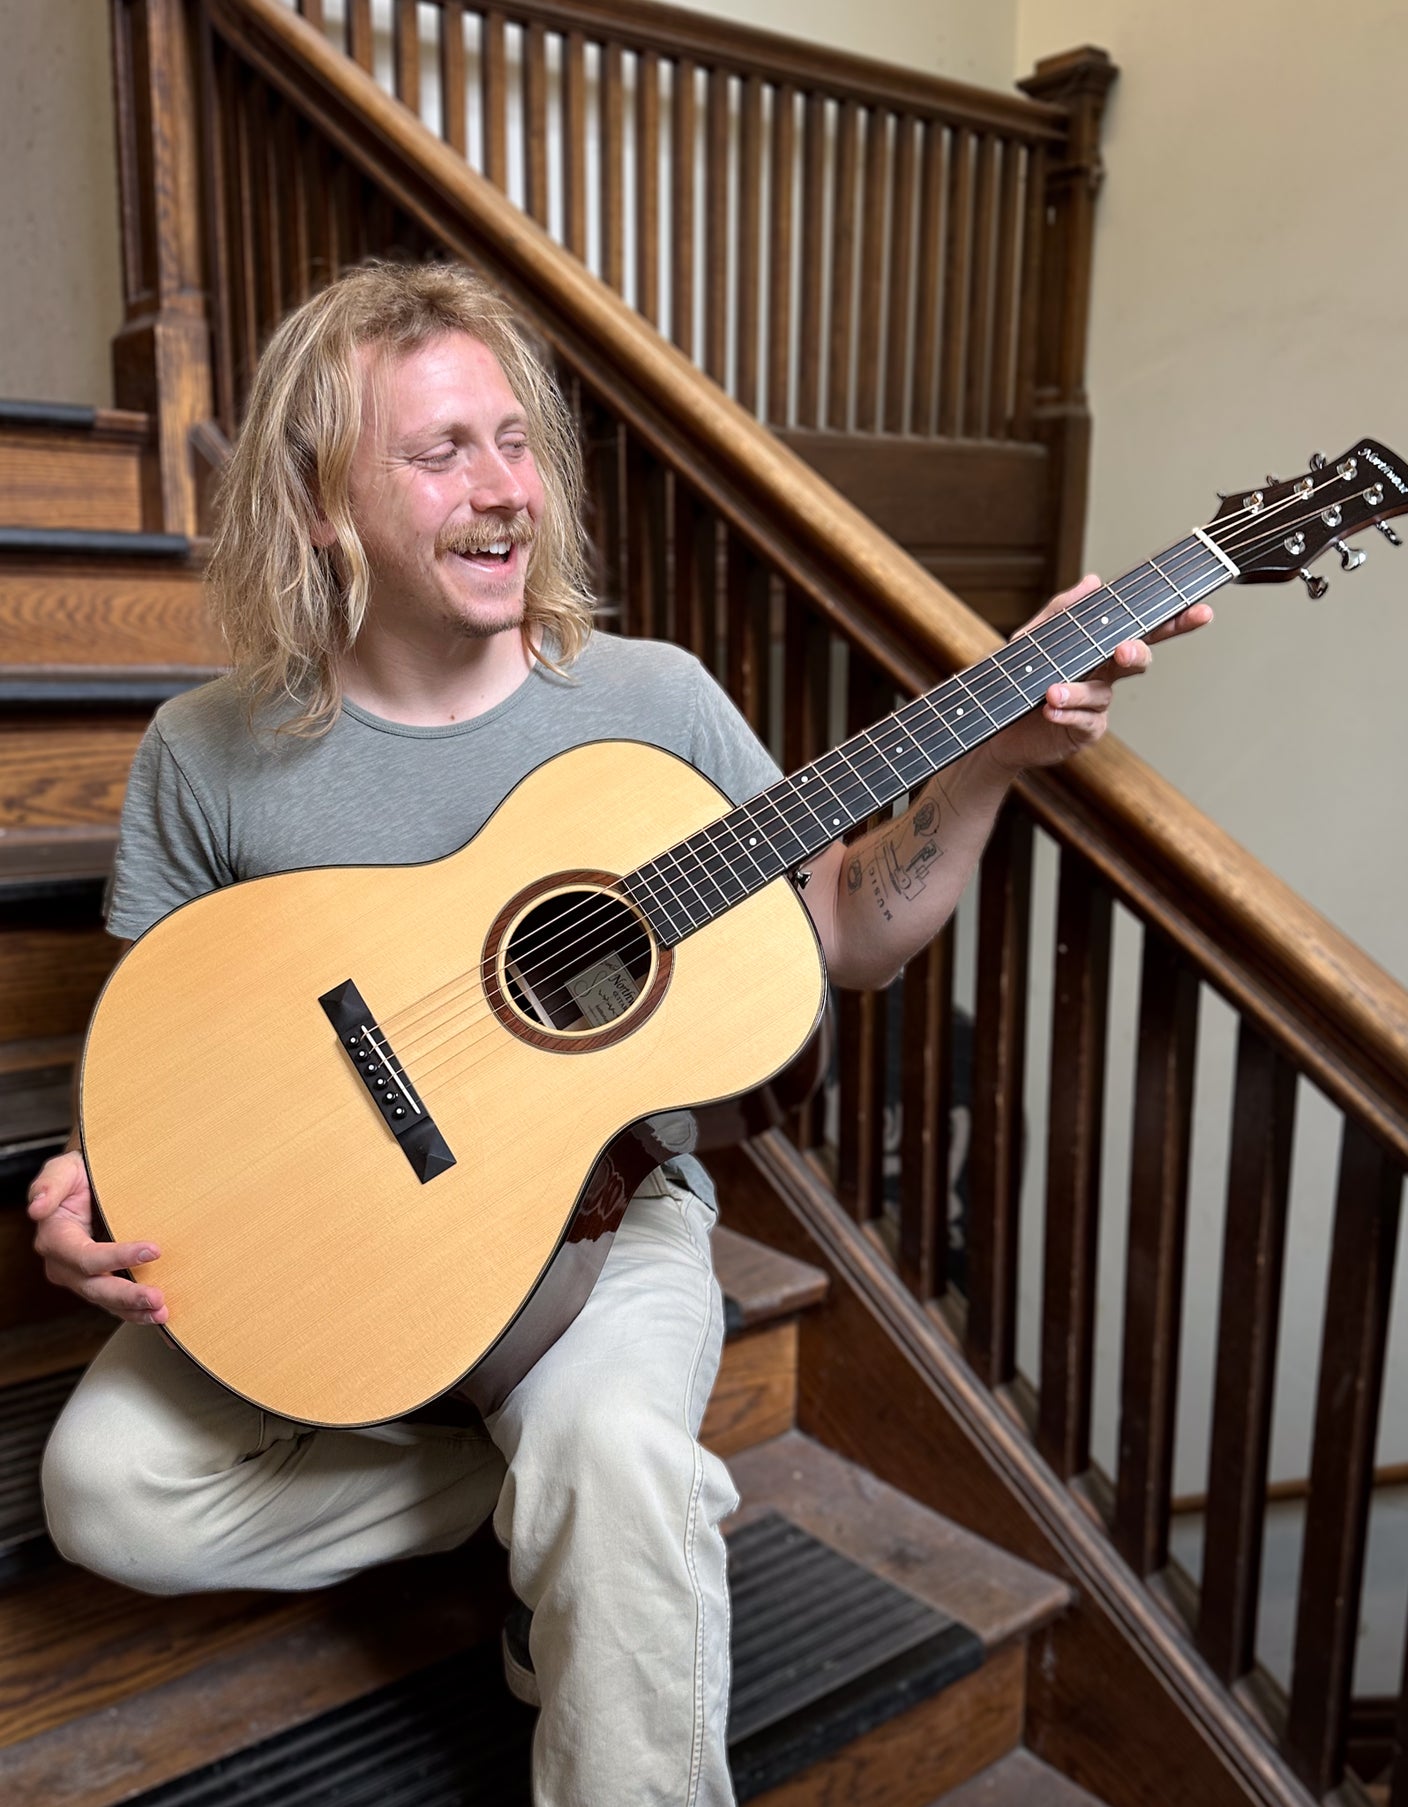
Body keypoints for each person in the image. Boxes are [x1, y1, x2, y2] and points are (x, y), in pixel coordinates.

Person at [27, 261, 1209, 1807]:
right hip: (333, 1214)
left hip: (592, 1223)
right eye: (440, 451)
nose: (503, 489)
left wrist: (985, 767)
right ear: (321, 503)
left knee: (624, 1465)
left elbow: (842, 934)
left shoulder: (648, 701)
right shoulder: (207, 749)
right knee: (107, 1497)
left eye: (516, 444)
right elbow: (157, 1028)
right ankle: (534, 1508)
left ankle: (590, 1508)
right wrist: (81, 1175)